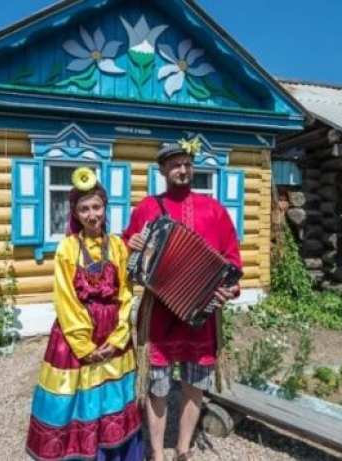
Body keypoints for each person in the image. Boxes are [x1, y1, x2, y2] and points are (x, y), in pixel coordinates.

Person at [123, 141, 241, 461]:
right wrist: (131, 244)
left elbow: (232, 260)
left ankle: (183, 449)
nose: (183, 170)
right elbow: (127, 246)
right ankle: (157, 453)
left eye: (187, 163)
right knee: (157, 385)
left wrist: (229, 289)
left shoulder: (214, 209)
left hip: (200, 314)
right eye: (175, 164)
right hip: (158, 314)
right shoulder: (147, 208)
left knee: (194, 383)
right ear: (162, 170)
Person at [26, 167, 143, 461]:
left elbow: (126, 294)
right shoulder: (67, 248)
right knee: (77, 399)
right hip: (77, 337)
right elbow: (65, 298)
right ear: (75, 214)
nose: (92, 215)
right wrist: (84, 345)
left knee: (112, 397)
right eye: (84, 209)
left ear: (105, 208)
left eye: (97, 207)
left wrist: (118, 339)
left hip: (113, 336)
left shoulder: (118, 247)